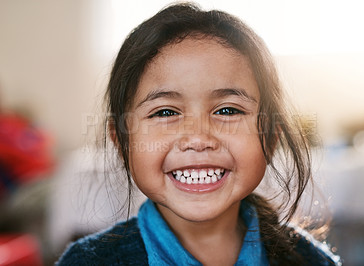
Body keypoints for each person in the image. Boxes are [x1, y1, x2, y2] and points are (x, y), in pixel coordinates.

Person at [57, 3, 340, 265]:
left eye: (227, 111)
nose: (198, 138)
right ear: (122, 142)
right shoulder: (88, 261)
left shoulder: (309, 260)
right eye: (165, 112)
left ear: (270, 136)